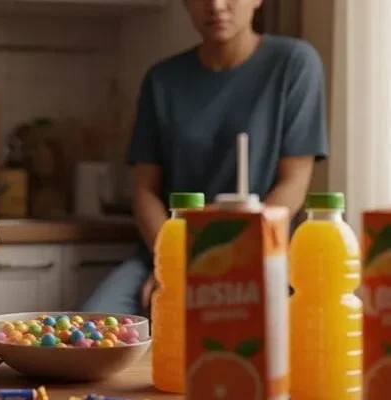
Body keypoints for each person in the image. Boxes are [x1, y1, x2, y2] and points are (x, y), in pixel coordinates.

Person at [80, 0, 328, 316]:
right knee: (95, 328)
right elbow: (145, 191)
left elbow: (294, 182)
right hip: (168, 252)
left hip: (259, 253)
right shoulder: (162, 80)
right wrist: (177, 260)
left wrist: (225, 260)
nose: (216, 5)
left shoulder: (294, 64)